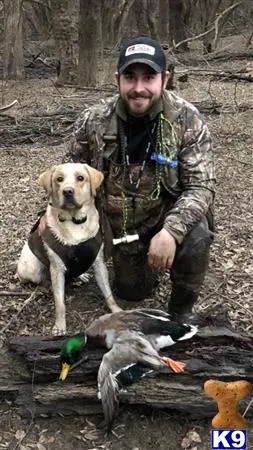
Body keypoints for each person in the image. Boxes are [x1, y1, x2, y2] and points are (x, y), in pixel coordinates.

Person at [68, 36, 215, 322]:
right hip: (119, 225)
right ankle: (138, 261)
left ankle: (181, 309)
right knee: (132, 293)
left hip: (164, 216)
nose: (138, 88)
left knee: (196, 235)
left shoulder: (187, 120)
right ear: (117, 79)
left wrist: (172, 231)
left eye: (148, 77)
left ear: (165, 78)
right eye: (129, 77)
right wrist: (49, 217)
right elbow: (69, 172)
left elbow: (202, 186)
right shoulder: (94, 120)